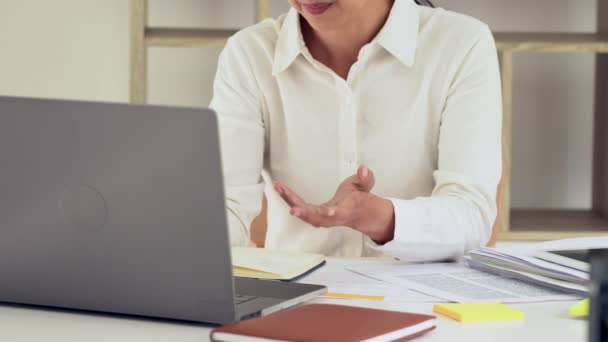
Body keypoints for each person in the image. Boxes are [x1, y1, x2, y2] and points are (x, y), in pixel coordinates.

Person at [210, 0, 502, 262]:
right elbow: (226, 204)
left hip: (425, 305)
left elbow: (472, 215)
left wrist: (380, 217)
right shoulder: (250, 53)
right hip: (297, 302)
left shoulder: (461, 44)